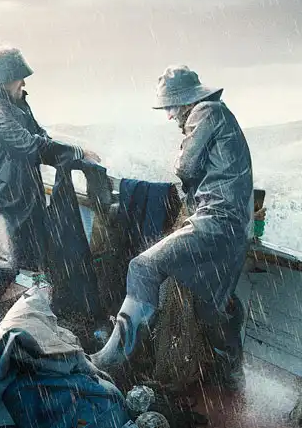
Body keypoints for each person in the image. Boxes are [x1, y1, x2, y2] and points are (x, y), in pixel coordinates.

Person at [92, 66, 253, 388]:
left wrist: (180, 155)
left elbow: (186, 167)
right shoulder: (222, 114)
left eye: (170, 107)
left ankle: (113, 358)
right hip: (235, 230)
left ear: (184, 101)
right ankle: (233, 378)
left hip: (215, 220)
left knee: (143, 267)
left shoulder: (206, 111)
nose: (169, 116)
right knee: (212, 308)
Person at [0, 45, 99, 300]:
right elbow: (29, 146)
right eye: (19, 78)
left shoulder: (14, 100)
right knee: (3, 266)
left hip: (21, 198)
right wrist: (77, 152)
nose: (23, 83)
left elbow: (39, 134)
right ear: (5, 79)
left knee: (30, 266)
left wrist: (68, 154)